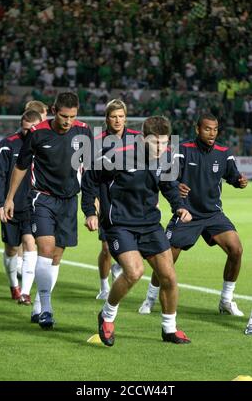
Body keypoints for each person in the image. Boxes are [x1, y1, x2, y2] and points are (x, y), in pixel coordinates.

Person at [82, 115, 192, 346]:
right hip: (119, 224)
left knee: (169, 277)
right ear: (143, 139)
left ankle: (169, 329)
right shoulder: (117, 156)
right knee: (134, 272)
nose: (160, 148)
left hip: (150, 224)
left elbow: (169, 186)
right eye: (156, 143)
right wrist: (90, 211)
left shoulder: (166, 158)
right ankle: (107, 316)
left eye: (164, 143)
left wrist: (179, 207)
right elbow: (90, 178)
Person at [138, 113, 248, 317]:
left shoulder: (224, 152)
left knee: (236, 249)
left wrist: (239, 181)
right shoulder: (183, 150)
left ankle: (226, 300)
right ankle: (150, 298)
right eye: (207, 129)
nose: (212, 133)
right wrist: (177, 184)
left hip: (213, 214)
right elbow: (168, 177)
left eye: (215, 129)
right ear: (197, 129)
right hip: (187, 213)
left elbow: (233, 176)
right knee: (166, 258)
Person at [3, 92, 93, 329]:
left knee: (56, 256)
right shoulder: (37, 133)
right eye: (64, 116)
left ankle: (38, 307)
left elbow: (91, 169)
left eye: (73, 116)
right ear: (54, 111)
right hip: (42, 199)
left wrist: (94, 204)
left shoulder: (83, 132)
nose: (68, 122)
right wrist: (9, 198)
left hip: (69, 201)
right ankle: (47, 308)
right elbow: (21, 166)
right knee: (45, 249)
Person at [95, 99, 140, 300]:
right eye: (113, 116)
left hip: (132, 202)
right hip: (107, 202)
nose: (118, 120)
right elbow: (91, 174)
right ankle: (104, 286)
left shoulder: (137, 139)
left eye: (121, 116)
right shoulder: (97, 142)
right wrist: (94, 201)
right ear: (107, 118)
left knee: (130, 246)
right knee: (105, 247)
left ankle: (119, 265)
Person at [0, 110, 42, 303]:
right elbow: (0, 177)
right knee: (11, 249)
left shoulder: (44, 144)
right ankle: (13, 285)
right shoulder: (7, 145)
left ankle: (25, 293)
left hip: (33, 205)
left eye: (31, 130)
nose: (28, 133)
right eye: (25, 130)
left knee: (30, 244)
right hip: (11, 206)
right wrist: (1, 203)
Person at [16, 101, 48, 279]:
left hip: (39, 196)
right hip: (26, 196)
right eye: (44, 114)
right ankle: (22, 265)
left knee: (31, 237)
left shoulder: (47, 137)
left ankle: (26, 269)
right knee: (25, 238)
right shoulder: (20, 142)